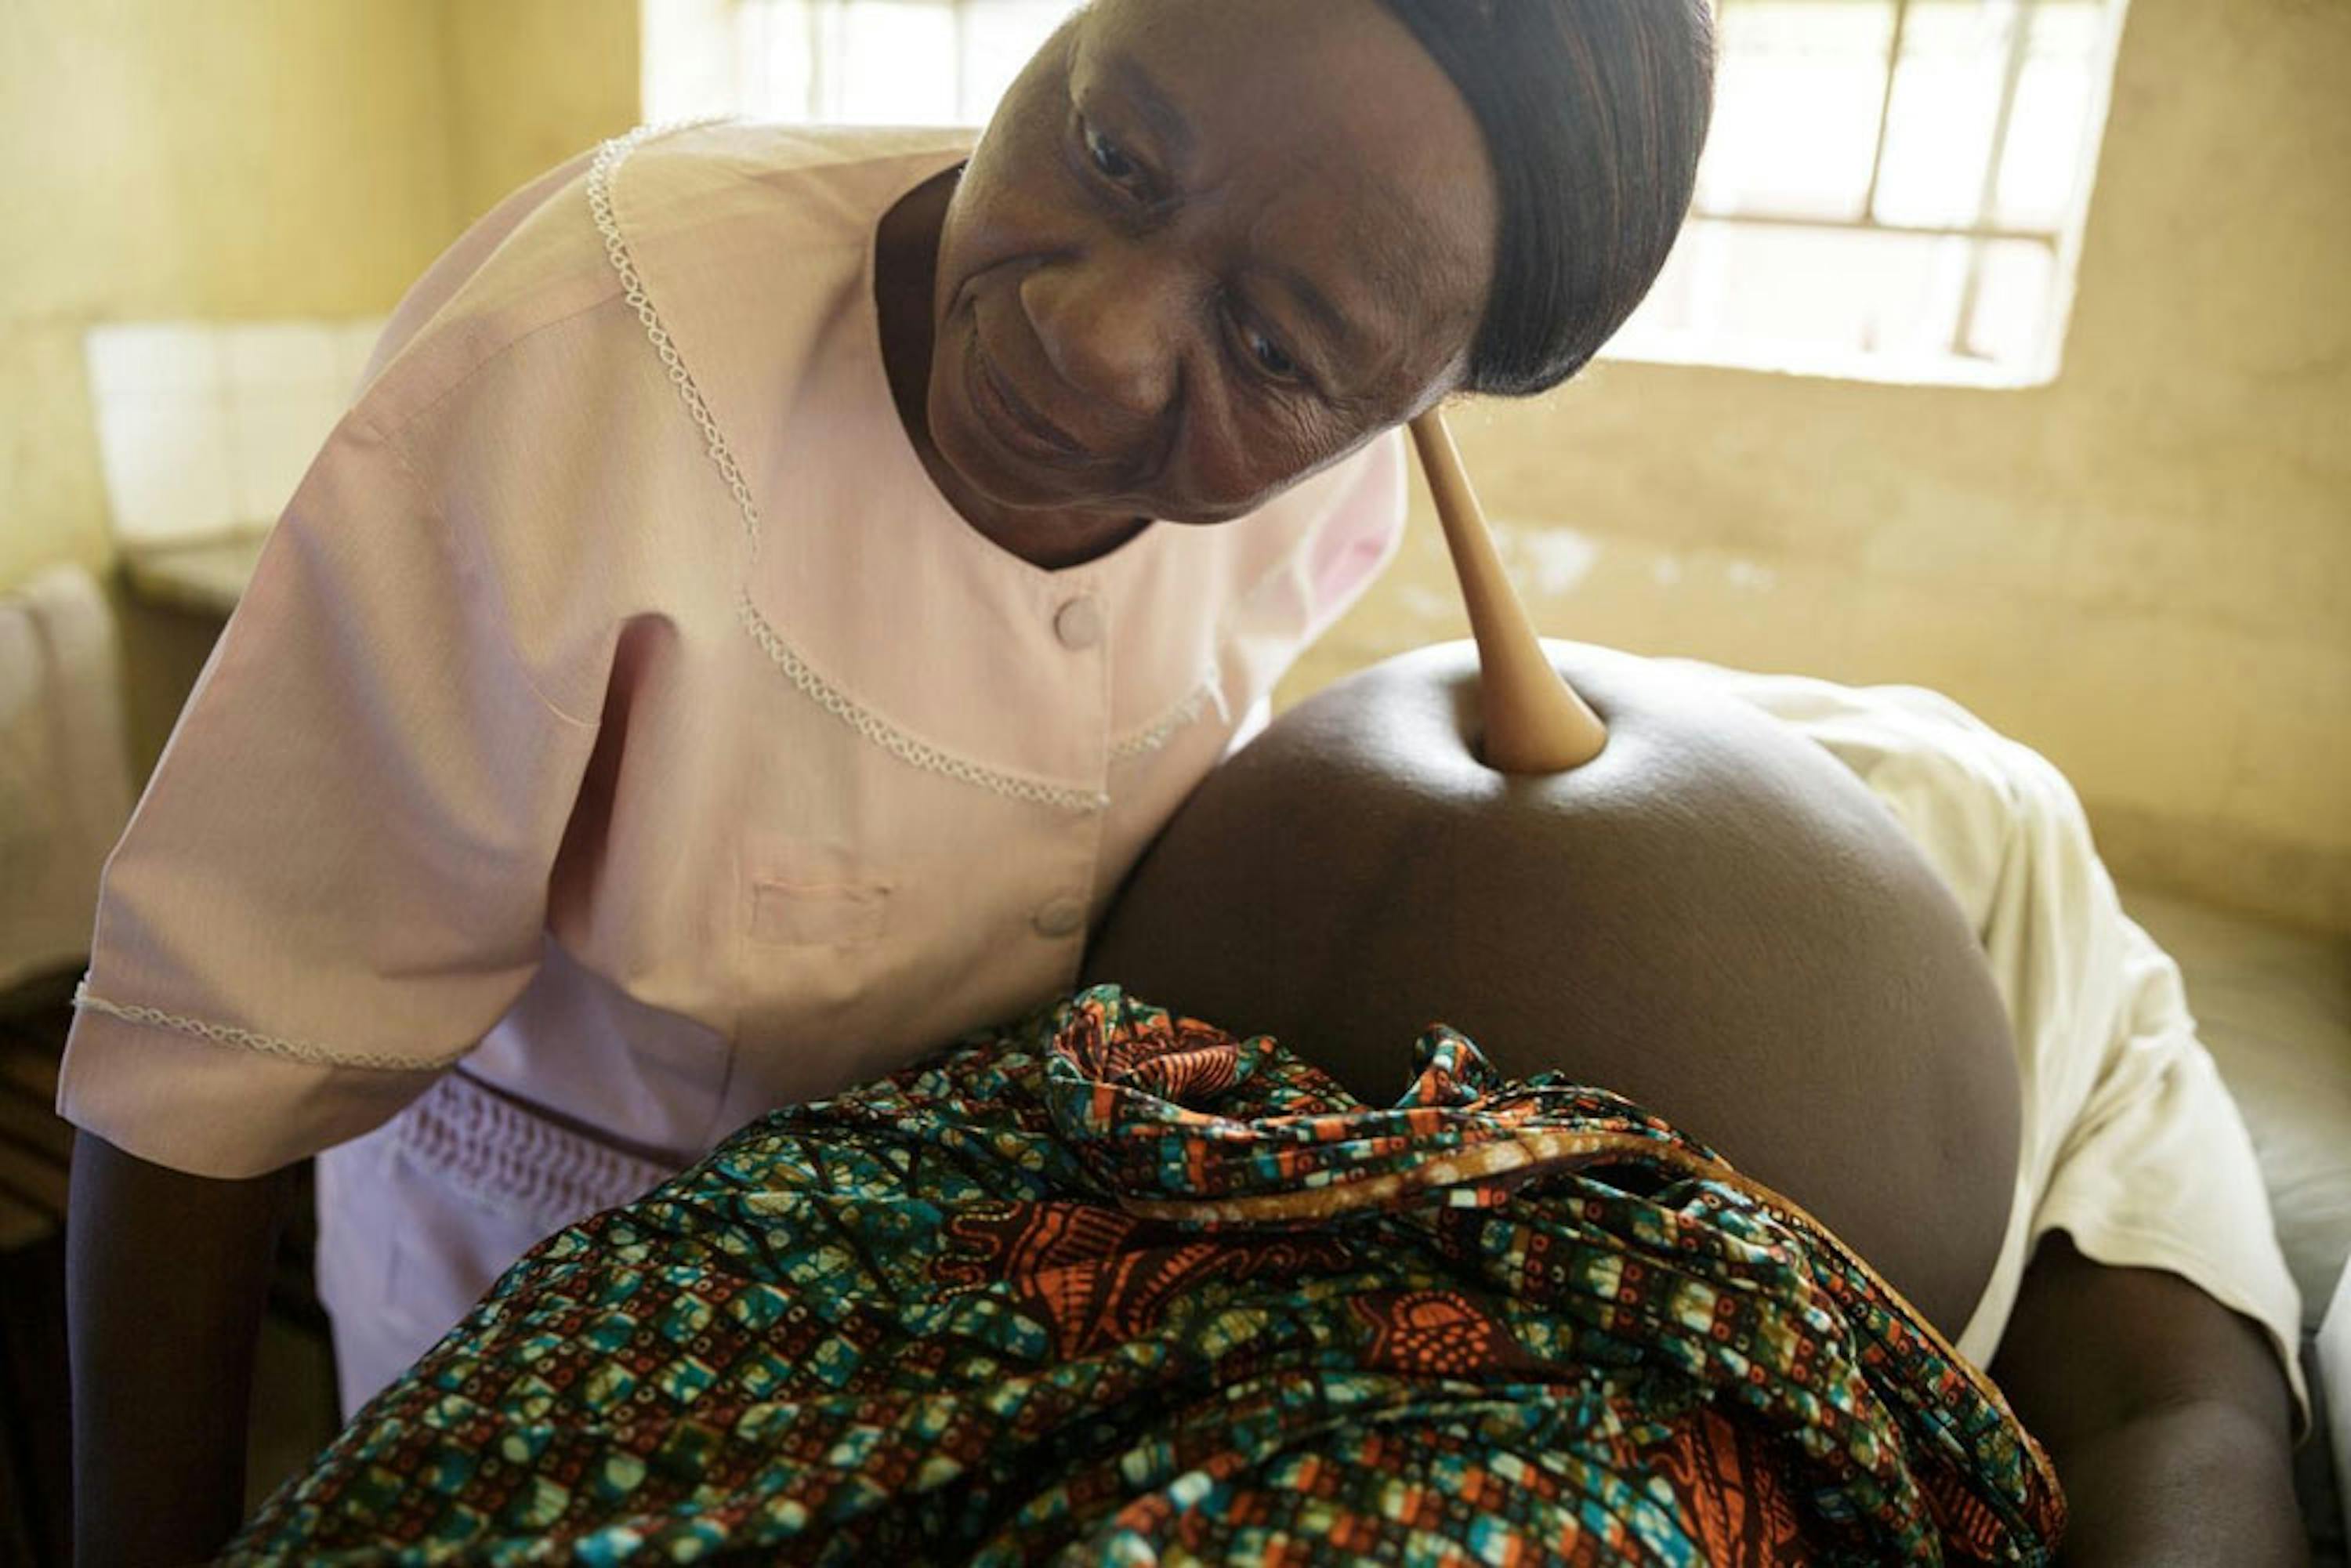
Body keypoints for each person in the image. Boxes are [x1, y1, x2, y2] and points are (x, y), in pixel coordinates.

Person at [56, 1, 1717, 1561]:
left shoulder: (1327, 498)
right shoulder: (604, 348)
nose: (1090, 332)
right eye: (1112, 154)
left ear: (1419, 410)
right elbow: (210, 1060)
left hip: (937, 1354)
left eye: (1274, 347)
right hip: (513, 1308)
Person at [1085, 639, 2311, 1564]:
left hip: (1622, 1407)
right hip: (1140, 1215)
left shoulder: (2052, 917)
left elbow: (2184, 1414)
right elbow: (2180, 1410)